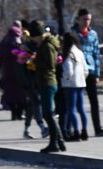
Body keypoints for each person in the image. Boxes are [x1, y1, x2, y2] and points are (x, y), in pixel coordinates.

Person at [76, 11, 103, 136]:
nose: (87, 21)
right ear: (78, 19)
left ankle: (98, 128)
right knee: (77, 102)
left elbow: (96, 54)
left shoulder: (93, 34)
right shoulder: (73, 34)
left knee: (94, 101)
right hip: (77, 71)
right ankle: (78, 129)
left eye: (89, 19)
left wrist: (97, 73)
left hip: (90, 70)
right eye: (84, 19)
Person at [30, 22, 63, 151]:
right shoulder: (46, 44)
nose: (32, 40)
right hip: (47, 81)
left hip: (47, 81)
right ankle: (59, 141)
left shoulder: (47, 45)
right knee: (49, 114)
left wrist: (35, 62)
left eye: (33, 37)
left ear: (38, 35)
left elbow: (50, 64)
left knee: (48, 114)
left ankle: (54, 143)